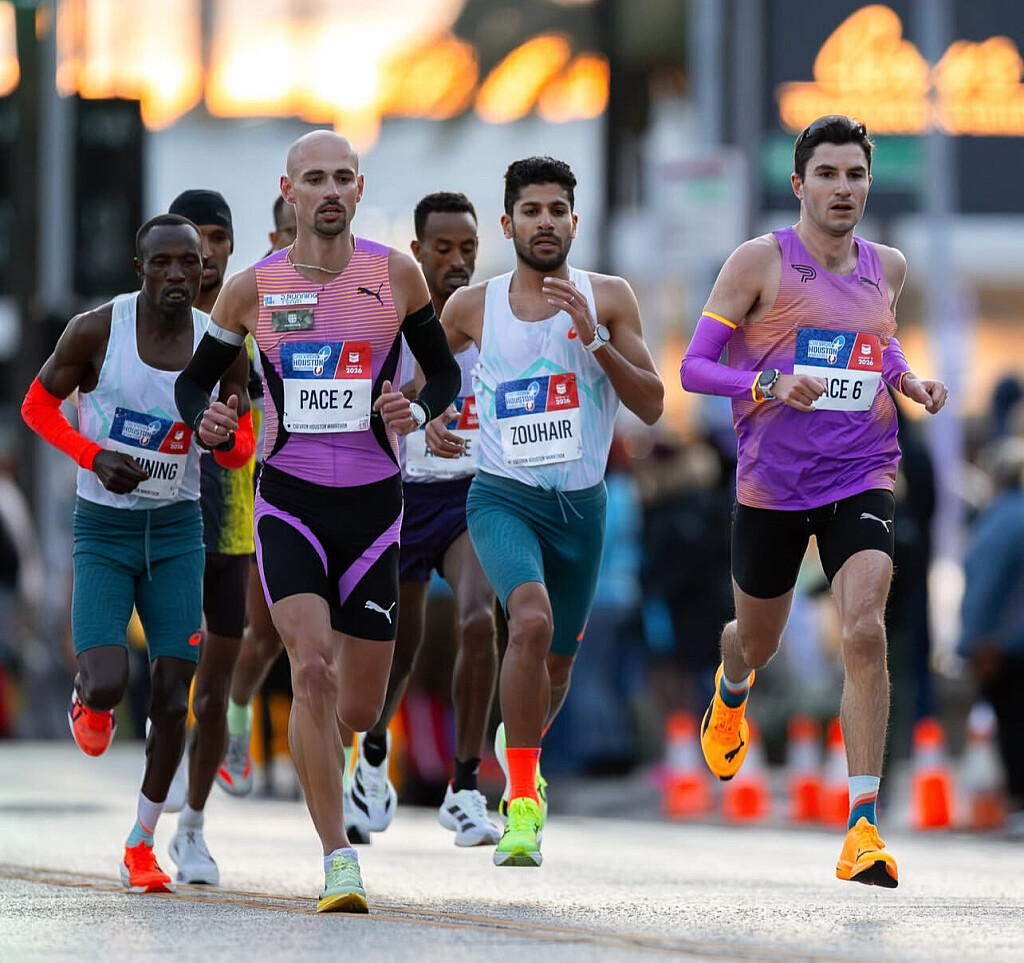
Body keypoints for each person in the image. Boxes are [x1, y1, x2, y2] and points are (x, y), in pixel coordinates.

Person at [174, 130, 460, 913]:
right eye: (315, 179)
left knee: (359, 706)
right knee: (309, 668)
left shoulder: (395, 275)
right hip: (289, 502)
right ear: (289, 191)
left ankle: (349, 753)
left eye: (342, 178)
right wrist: (205, 418)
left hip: (374, 511)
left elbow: (443, 372)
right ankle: (338, 857)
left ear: (359, 189)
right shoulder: (251, 289)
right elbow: (196, 383)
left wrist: (418, 409)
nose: (329, 191)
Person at [679, 115, 948, 888]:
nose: (842, 188)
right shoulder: (758, 262)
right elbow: (695, 368)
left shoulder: (887, 266)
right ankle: (732, 688)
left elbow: (877, 340)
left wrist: (907, 379)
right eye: (827, 174)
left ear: (869, 183)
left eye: (855, 174)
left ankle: (862, 827)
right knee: (756, 641)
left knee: (864, 628)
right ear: (799, 184)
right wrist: (764, 381)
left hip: (863, 471)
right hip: (772, 486)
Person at [438, 156, 664, 866]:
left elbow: (653, 404)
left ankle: (522, 746)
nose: (545, 222)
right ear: (508, 224)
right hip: (502, 497)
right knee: (527, 621)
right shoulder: (471, 307)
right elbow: (424, 378)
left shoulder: (610, 297)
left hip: (581, 511)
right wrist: (426, 415)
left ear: (574, 220)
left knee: (556, 667)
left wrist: (594, 337)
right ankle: (522, 801)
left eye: (556, 210)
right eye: (531, 211)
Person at [20, 214, 251, 893]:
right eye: (163, 263)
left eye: (190, 263)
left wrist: (223, 436)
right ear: (139, 268)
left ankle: (142, 843)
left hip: (177, 531)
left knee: (175, 692)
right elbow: (37, 407)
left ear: (204, 272)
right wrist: (93, 455)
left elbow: (240, 449)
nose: (178, 274)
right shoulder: (96, 330)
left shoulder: (220, 344)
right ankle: (88, 701)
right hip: (104, 529)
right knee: (107, 682)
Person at [347, 191, 501, 847]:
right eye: (443, 248)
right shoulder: (387, 324)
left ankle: (465, 787)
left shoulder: (493, 320)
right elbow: (360, 408)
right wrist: (413, 412)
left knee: (478, 618)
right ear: (417, 251)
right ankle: (372, 752)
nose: (457, 261)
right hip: (401, 498)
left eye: (468, 248)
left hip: (467, 497)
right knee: (400, 648)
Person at [162, 189, 256, 885]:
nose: (209, 252)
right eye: (196, 239)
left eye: (218, 238)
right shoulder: (150, 327)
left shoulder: (252, 321)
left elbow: (263, 421)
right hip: (163, 518)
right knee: (173, 675)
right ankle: (160, 754)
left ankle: (192, 827)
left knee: (214, 687)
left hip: (233, 523)